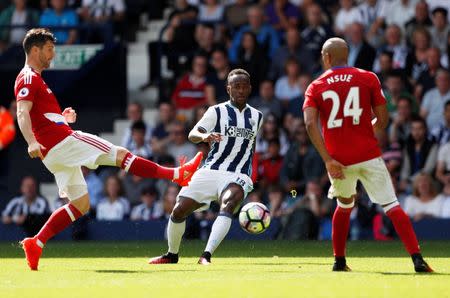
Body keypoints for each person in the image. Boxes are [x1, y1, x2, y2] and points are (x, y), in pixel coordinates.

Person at [16, 28, 203, 271]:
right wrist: (31, 140)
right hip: (61, 142)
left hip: (54, 151)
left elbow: (39, 116)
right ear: (35, 50)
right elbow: (21, 112)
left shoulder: (36, 79)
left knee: (81, 205)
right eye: (49, 49)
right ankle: (178, 175)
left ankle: (36, 242)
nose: (53, 55)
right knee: (121, 155)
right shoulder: (28, 77)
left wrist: (62, 118)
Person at [303, 37, 433, 272]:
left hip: (338, 160)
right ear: (347, 54)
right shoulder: (368, 77)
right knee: (392, 205)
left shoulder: (316, 86)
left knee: (344, 206)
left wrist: (327, 160)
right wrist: (364, 130)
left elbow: (310, 125)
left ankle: (339, 261)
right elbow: (383, 120)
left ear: (327, 57)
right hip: (368, 154)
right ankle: (417, 259)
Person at [150, 69, 263, 265]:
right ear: (228, 89)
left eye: (244, 86)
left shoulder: (257, 116)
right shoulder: (216, 111)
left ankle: (206, 255)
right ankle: (172, 254)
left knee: (227, 204)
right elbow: (193, 133)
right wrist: (204, 136)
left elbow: (250, 147)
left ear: (250, 88)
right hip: (211, 169)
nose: (241, 90)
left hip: (239, 173)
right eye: (236, 86)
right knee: (178, 210)